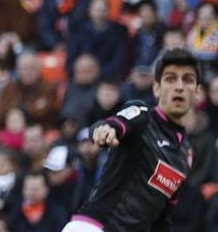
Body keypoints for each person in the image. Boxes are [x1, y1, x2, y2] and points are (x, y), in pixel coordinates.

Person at [62, 48, 200, 231]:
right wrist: (104, 130)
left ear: (197, 91)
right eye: (171, 79)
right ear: (157, 88)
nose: (179, 87)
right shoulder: (142, 116)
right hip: (96, 226)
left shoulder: (186, 155)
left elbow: (161, 217)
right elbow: (115, 124)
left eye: (188, 80)